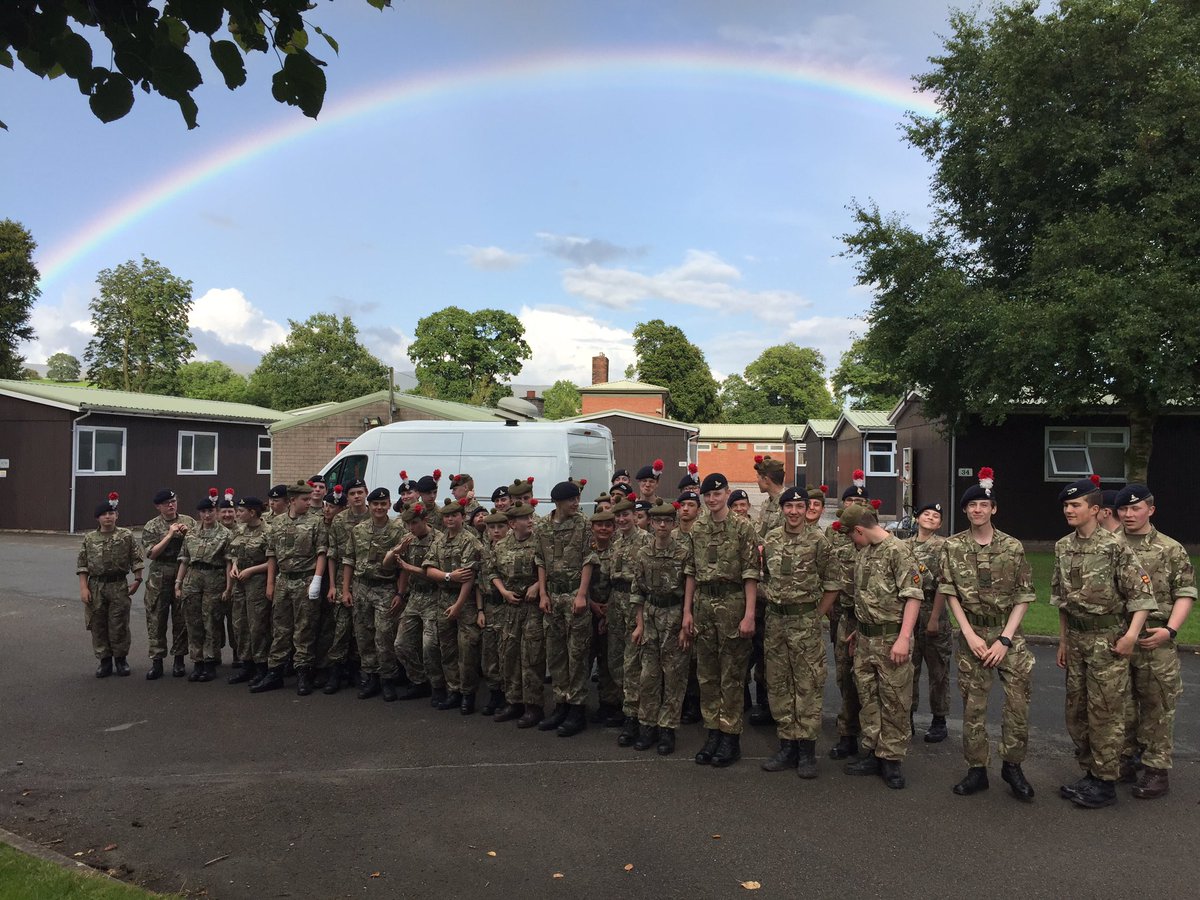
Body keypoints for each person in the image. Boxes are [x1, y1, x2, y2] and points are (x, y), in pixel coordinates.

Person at [1053, 475, 1156, 808]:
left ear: (1095, 510)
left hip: (1108, 640)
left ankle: (1106, 783)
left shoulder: (1115, 546)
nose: (1069, 510)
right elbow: (1061, 600)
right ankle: (1090, 773)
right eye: (1067, 505)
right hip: (1078, 639)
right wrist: (1063, 641)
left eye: (1076, 505)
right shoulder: (1062, 546)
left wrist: (1129, 637)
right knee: (1077, 712)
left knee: (1107, 714)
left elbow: (1141, 596)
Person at [939, 468, 1036, 802]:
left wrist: (1005, 639)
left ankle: (1013, 765)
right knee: (973, 707)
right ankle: (976, 769)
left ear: (994, 508)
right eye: (972, 505)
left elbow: (1024, 595)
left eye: (984, 504)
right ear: (965, 511)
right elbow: (949, 591)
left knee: (1018, 705)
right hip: (973, 634)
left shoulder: (1012, 547)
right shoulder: (952, 547)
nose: (977, 509)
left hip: (1008, 635)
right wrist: (969, 634)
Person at [1115, 484, 1196, 799]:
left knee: (1157, 705)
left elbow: (1185, 593)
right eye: (1124, 509)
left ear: (1151, 509)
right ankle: (1124, 760)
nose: (1129, 514)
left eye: (1136, 509)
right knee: (1119, 704)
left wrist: (1170, 630)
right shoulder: (1110, 545)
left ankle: (1156, 770)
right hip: (1118, 636)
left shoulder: (1170, 548)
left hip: (1155, 637)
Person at [838, 502, 923, 790]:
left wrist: (903, 637)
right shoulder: (865, 553)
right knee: (869, 698)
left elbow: (913, 596)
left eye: (852, 535)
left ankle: (892, 760)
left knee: (895, 701)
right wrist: (859, 631)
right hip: (865, 640)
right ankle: (874, 752)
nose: (852, 540)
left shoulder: (898, 551)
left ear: (859, 530)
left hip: (891, 640)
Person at [759, 488, 841, 777]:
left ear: (807, 509)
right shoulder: (770, 539)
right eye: (789, 506)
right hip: (775, 623)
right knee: (779, 684)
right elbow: (764, 577)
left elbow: (833, 582)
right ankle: (787, 746)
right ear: (782, 509)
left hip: (805, 623)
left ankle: (806, 751)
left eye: (799, 506)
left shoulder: (819, 541)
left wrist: (816, 614)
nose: (793, 511)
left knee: (807, 684)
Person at [683, 472, 759, 767]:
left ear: (727, 492)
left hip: (733, 603)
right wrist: (687, 612)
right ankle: (712, 731)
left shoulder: (743, 528)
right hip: (703, 604)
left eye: (718, 494)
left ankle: (730, 737)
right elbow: (690, 571)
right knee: (708, 674)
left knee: (732, 674)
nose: (713, 499)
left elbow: (751, 573)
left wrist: (749, 615)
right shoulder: (698, 527)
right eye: (708, 495)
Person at [252, 481, 327, 694]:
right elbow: (272, 555)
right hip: (284, 581)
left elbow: (322, 552)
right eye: (304, 499)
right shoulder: (277, 524)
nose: (309, 502)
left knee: (304, 629)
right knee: (280, 629)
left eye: (309, 498)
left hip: (306, 580)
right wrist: (270, 583)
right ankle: (274, 672)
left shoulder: (316, 522)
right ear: (292, 500)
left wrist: (317, 580)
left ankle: (304, 673)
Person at [629, 499, 692, 755]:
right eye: (658, 521)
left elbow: (690, 586)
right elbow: (638, 590)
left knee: (674, 675)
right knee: (648, 676)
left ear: (674, 524)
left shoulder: (684, 552)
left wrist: (686, 620)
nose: (662, 525)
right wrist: (639, 624)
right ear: (651, 523)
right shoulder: (643, 553)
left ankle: (668, 729)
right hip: (652, 616)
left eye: (667, 521)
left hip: (674, 615)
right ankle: (647, 725)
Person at [535, 478, 594, 737]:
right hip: (553, 597)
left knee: (577, 654)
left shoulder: (583, 524)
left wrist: (582, 594)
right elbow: (540, 560)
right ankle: (561, 703)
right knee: (556, 653)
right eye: (571, 499)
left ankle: (577, 709)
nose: (575, 503)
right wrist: (543, 593)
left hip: (573, 595)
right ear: (558, 502)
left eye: (577, 499)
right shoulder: (543, 526)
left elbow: (589, 559)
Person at [341, 488, 404, 700]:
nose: (379, 507)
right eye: (375, 504)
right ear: (370, 505)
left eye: (383, 504)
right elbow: (349, 559)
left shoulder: (398, 530)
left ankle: (388, 679)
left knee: (384, 634)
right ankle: (370, 677)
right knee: (363, 634)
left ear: (388, 504)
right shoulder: (359, 530)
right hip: (361, 587)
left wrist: (400, 593)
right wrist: (345, 590)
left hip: (385, 588)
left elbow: (404, 566)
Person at [488, 501, 543, 726]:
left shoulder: (539, 542)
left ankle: (533, 706)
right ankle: (513, 701)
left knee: (531, 656)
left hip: (532, 608)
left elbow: (548, 567)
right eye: (524, 518)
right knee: (508, 655)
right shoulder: (501, 546)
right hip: (510, 608)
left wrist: (537, 586)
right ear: (512, 523)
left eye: (531, 516)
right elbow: (492, 571)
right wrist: (503, 592)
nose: (530, 520)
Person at [827, 471, 870, 760]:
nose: (855, 504)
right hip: (843, 617)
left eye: (860, 500)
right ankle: (847, 734)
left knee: (869, 682)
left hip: (870, 622)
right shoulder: (835, 537)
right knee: (844, 677)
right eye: (850, 500)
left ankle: (871, 737)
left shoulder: (878, 538)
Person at [77, 493, 143, 677]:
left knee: (119, 624)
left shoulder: (126, 535)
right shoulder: (89, 538)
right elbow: (82, 565)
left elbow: (136, 559)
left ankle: (121, 660)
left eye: (111, 513)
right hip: (96, 586)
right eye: (104, 514)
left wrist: (137, 580)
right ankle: (104, 661)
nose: (108, 516)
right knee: (98, 624)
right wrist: (83, 588)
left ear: (117, 515)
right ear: (98, 518)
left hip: (118, 585)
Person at [426, 498, 481, 713]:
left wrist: (458, 605)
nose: (450, 519)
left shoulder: (471, 541)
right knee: (447, 649)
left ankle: (468, 695)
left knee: (467, 650)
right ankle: (453, 690)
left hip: (464, 602)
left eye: (454, 515)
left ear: (463, 517)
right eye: (446, 516)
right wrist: (448, 576)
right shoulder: (439, 542)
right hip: (444, 599)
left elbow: (468, 577)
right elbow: (429, 569)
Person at [177, 489, 234, 683]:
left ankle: (210, 662)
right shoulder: (191, 533)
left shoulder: (225, 534)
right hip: (193, 579)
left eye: (210, 511)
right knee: (193, 622)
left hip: (214, 578)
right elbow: (184, 560)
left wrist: (228, 587)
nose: (207, 515)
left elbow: (228, 562)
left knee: (211, 621)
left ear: (216, 512)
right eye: (203, 512)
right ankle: (197, 661)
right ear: (198, 514)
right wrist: (178, 583)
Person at [393, 501, 447, 703]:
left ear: (425, 520)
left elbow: (438, 575)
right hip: (415, 597)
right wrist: (400, 593)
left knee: (430, 645)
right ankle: (418, 681)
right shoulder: (409, 538)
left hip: (434, 596)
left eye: (414, 523)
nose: (410, 528)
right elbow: (403, 569)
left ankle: (438, 686)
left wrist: (408, 567)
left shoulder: (439, 540)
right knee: (401, 644)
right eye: (408, 524)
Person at [907, 501, 950, 742]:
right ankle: (907, 716)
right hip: (909, 614)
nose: (931, 518)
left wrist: (934, 618)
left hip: (934, 610)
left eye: (936, 516)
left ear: (940, 523)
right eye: (927, 514)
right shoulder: (904, 546)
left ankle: (939, 719)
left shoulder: (943, 546)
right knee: (908, 669)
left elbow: (944, 583)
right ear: (917, 518)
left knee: (938, 670)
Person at [608, 497, 651, 740]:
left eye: (626, 515)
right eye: (619, 516)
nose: (622, 519)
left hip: (637, 604)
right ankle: (627, 707)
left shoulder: (646, 541)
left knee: (634, 662)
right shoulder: (615, 541)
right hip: (616, 602)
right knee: (616, 660)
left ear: (635, 516)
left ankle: (636, 717)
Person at [140, 489, 195, 679]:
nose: (171, 505)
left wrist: (188, 535)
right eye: (166, 503)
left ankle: (179, 660)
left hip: (182, 571)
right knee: (157, 618)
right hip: (160, 574)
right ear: (158, 507)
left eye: (173, 501)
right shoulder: (152, 526)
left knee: (181, 618)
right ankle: (157, 661)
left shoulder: (189, 521)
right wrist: (169, 535)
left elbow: (196, 547)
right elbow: (151, 553)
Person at [227, 497, 271, 686]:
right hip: (240, 584)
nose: (237, 514)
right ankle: (246, 664)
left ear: (252, 513)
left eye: (241, 511)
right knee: (240, 624)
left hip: (257, 583)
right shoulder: (240, 530)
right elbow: (236, 553)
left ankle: (261, 666)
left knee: (257, 626)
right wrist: (235, 566)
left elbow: (273, 561)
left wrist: (251, 570)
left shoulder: (268, 532)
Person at [585, 507, 621, 724]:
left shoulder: (618, 551)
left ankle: (609, 704)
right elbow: (579, 582)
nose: (604, 529)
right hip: (588, 611)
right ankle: (578, 704)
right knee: (585, 657)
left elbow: (621, 583)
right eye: (600, 525)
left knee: (609, 660)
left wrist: (608, 608)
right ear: (592, 527)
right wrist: (591, 604)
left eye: (608, 525)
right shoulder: (585, 551)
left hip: (612, 610)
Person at [478, 510, 511, 716]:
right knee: (489, 655)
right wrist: (480, 610)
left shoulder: (511, 549)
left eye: (500, 527)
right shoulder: (482, 551)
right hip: (489, 607)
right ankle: (495, 694)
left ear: (508, 528)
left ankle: (510, 696)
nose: (496, 531)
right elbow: (478, 584)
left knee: (506, 653)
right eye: (492, 528)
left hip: (507, 607)